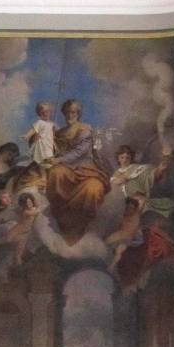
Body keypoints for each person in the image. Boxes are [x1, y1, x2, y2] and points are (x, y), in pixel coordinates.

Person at [46, 99, 110, 243]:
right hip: (66, 168)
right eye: (67, 112)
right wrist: (49, 137)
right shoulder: (60, 132)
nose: (70, 115)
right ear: (63, 113)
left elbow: (79, 152)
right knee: (56, 173)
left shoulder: (84, 129)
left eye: (73, 112)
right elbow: (53, 150)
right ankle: (60, 215)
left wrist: (59, 159)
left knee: (93, 188)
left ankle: (80, 225)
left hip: (86, 169)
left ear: (78, 114)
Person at [22, 101, 55, 168]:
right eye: (43, 112)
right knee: (42, 156)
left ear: (50, 112)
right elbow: (33, 130)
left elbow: (53, 133)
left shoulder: (52, 123)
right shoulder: (39, 122)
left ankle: (48, 166)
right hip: (42, 143)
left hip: (49, 142)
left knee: (49, 155)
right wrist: (27, 135)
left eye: (47, 111)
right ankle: (43, 169)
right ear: (39, 114)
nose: (45, 114)